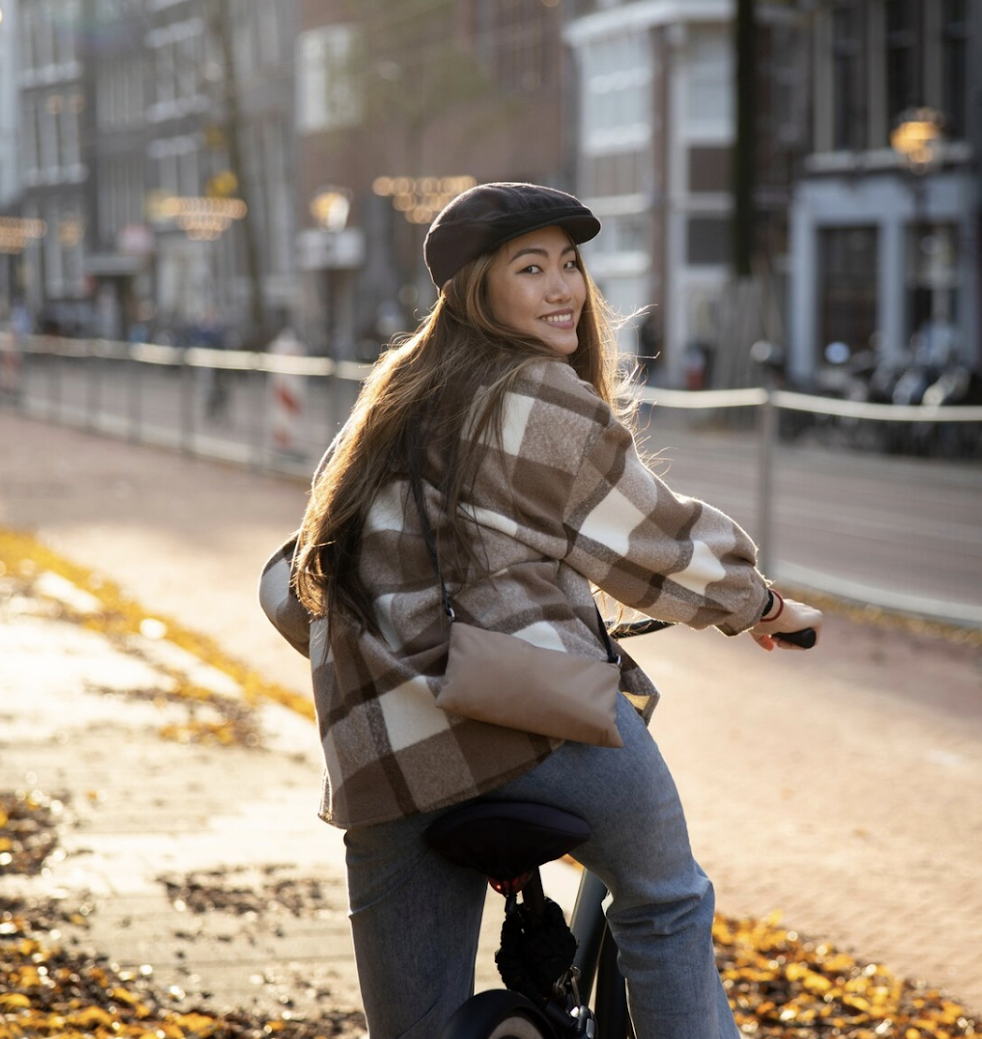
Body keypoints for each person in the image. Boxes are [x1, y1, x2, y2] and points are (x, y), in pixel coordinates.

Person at [259, 182, 821, 1039]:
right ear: (474, 287)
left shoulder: (380, 406)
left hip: (381, 757)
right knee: (665, 896)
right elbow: (657, 546)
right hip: (530, 728)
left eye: (569, 264)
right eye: (531, 268)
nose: (563, 288)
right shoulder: (536, 394)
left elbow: (293, 581)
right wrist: (763, 604)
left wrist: (392, 664)